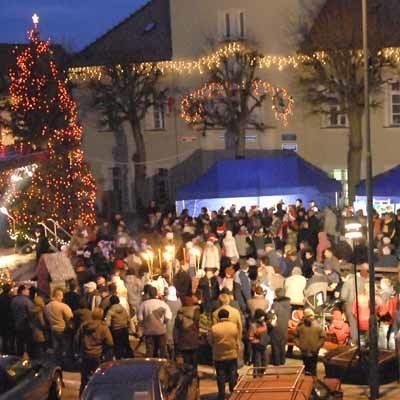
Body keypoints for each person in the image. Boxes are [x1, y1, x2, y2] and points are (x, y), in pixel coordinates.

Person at [78, 307, 113, 395]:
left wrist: (78, 351)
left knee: (84, 379)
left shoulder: (84, 326)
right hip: (97, 355)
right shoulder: (103, 328)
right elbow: (110, 342)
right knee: (98, 378)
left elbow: (76, 340)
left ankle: (83, 396)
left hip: (85, 355)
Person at [208, 309, 240, 400]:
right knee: (233, 374)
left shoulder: (214, 328)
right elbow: (236, 338)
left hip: (219, 355)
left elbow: (210, 341)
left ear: (218, 317)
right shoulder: (233, 326)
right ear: (228, 316)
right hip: (232, 354)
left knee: (220, 375)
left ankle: (221, 395)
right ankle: (233, 393)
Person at [137, 285, 172, 358]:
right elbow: (168, 317)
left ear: (148, 294)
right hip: (161, 331)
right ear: (156, 294)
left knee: (150, 352)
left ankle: (150, 367)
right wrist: (163, 322)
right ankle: (163, 366)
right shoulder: (162, 304)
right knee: (163, 351)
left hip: (148, 332)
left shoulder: (144, 304)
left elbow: (140, 319)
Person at [44, 287, 74, 364]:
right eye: (61, 295)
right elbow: (70, 319)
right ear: (58, 296)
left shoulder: (47, 307)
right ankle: (66, 363)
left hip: (53, 329)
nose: (62, 297)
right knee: (66, 347)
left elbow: (46, 318)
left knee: (56, 347)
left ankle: (57, 362)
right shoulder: (63, 306)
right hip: (63, 329)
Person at [174, 296, 201, 375]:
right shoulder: (196, 312)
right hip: (194, 340)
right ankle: (194, 377)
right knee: (194, 361)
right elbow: (198, 324)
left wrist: (176, 340)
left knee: (186, 362)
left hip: (183, 341)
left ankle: (187, 378)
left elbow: (176, 328)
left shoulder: (180, 314)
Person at [294, 308, 325, 376]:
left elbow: (322, 337)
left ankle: (313, 383)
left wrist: (317, 347)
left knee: (313, 369)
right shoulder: (301, 326)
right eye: (309, 316)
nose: (311, 318)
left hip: (314, 351)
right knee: (306, 368)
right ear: (305, 317)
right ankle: (307, 383)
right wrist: (300, 345)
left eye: (312, 316)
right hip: (304, 351)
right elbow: (295, 336)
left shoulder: (318, 326)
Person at [105, 295, 132, 359]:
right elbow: (128, 318)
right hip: (124, 329)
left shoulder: (110, 310)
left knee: (117, 346)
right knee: (126, 344)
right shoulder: (123, 309)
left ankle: (119, 359)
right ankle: (129, 358)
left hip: (116, 330)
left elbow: (108, 323)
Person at [10, 284, 34, 356]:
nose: (29, 291)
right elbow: (32, 313)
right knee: (29, 342)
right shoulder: (27, 301)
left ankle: (19, 356)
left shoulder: (13, 300)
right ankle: (30, 356)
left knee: (19, 342)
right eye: (27, 289)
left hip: (17, 324)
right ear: (22, 291)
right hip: (26, 324)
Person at [248, 309, 270, 376]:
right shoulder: (253, 325)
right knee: (257, 362)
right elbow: (250, 337)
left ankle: (262, 373)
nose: (263, 318)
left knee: (265, 361)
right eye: (261, 316)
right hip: (257, 345)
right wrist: (256, 341)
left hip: (264, 344)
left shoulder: (264, 323)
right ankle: (256, 375)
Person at [0, 283, 14, 354]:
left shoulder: (1, 297)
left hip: (1, 320)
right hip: (8, 320)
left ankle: (4, 350)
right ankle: (9, 350)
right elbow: (11, 309)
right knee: (9, 336)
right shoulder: (9, 298)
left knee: (4, 337)